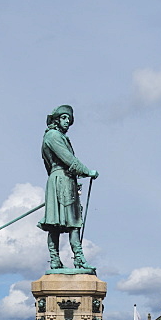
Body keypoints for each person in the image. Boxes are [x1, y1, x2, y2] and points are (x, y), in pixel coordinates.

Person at [39, 104, 98, 271]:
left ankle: (76, 258)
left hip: (63, 180)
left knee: (69, 222)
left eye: (69, 120)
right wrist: (87, 171)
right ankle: (58, 259)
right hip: (61, 180)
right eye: (64, 118)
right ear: (56, 120)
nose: (67, 122)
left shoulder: (56, 137)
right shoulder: (52, 136)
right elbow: (69, 159)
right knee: (60, 223)